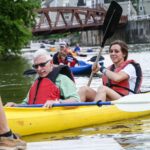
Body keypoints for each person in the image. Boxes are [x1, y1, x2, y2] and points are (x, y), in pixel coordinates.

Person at [6, 49, 80, 108]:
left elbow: (76, 101)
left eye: (42, 65)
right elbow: (26, 103)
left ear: (51, 63)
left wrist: (57, 102)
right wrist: (16, 105)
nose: (39, 69)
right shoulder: (36, 82)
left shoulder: (62, 79)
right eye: (36, 66)